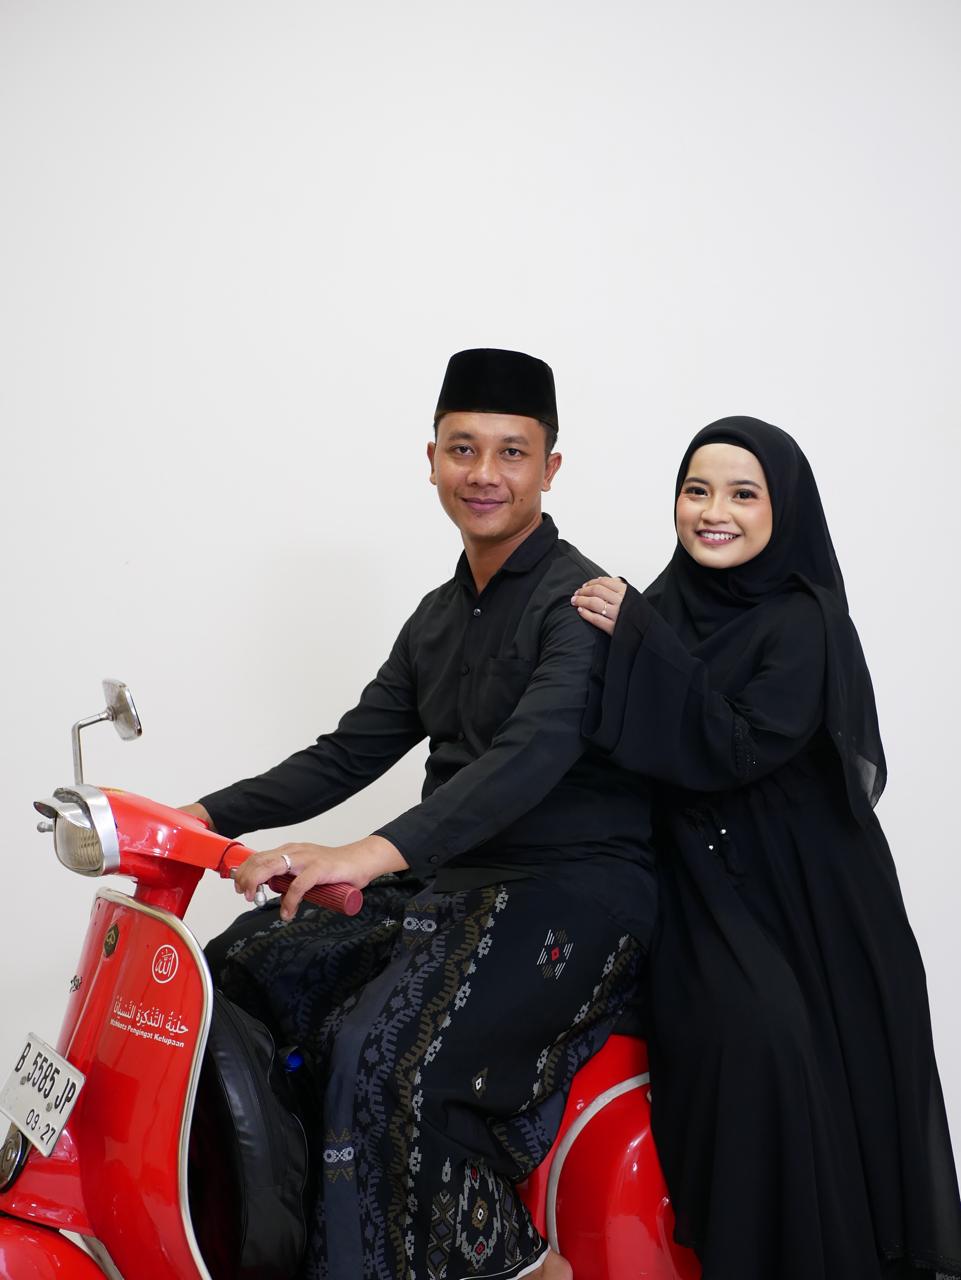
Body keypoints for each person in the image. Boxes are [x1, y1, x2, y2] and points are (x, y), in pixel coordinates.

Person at [183, 348, 657, 1280]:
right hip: (455, 884)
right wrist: (195, 815)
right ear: (430, 459)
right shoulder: (437, 615)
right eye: (462, 449)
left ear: (550, 468)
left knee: (385, 1053)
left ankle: (515, 1265)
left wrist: (367, 854)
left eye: (512, 452)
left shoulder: (582, 607)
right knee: (241, 967)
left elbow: (528, 761)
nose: (484, 474)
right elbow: (347, 752)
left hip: (572, 894)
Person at [571, 415, 961, 1280]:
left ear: (782, 509)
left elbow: (737, 749)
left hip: (813, 893)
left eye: (742, 494)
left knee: (814, 1054)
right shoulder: (659, 606)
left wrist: (640, 639)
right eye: (696, 490)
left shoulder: (802, 620)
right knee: (755, 1042)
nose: (714, 512)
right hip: (700, 881)